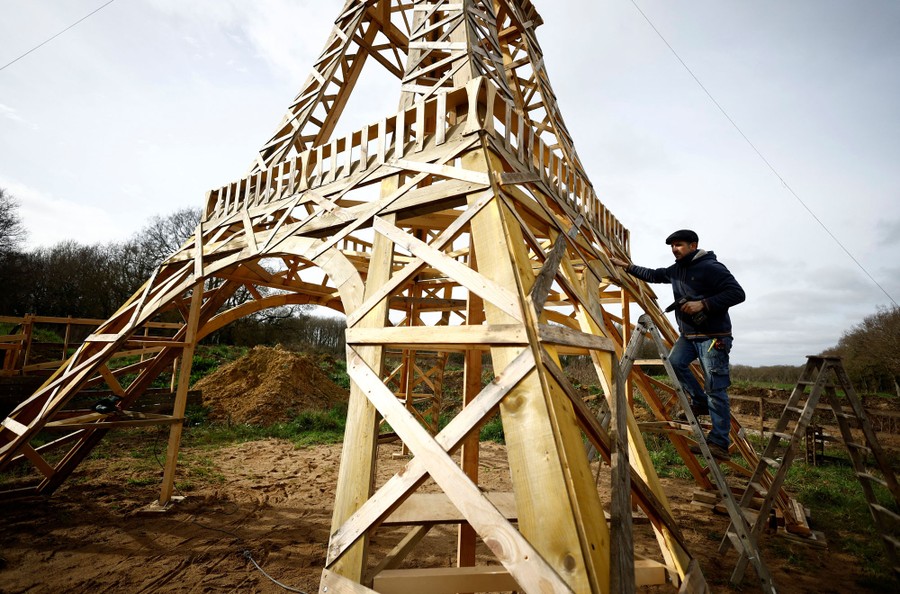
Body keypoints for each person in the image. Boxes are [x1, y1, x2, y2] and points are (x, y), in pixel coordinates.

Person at [609, 229, 745, 461]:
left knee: (715, 388)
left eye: (679, 245)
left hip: (714, 337)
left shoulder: (711, 267)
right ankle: (699, 401)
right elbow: (654, 274)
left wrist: (703, 304)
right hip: (689, 335)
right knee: (674, 363)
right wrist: (627, 266)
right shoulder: (677, 269)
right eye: (672, 246)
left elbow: (737, 293)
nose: (675, 249)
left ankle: (719, 442)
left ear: (693, 246)